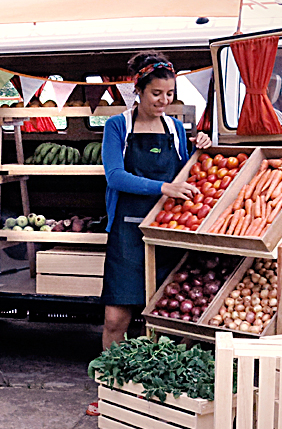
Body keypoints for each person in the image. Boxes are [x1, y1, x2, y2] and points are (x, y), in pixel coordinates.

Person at [101, 52, 212, 350]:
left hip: (167, 231)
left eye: (170, 93)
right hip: (127, 232)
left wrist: (203, 149)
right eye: (156, 93)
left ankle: (150, 391)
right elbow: (115, 177)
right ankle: (111, 385)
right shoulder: (117, 127)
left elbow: (190, 177)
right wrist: (164, 187)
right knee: (115, 318)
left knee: (166, 316)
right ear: (138, 90)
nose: (164, 100)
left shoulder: (175, 129)